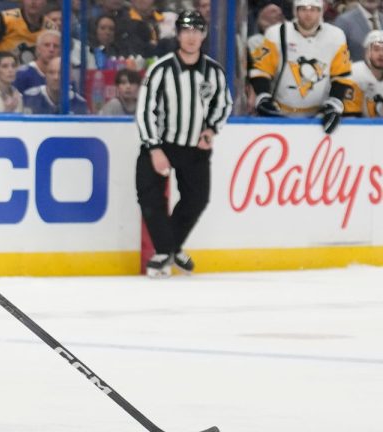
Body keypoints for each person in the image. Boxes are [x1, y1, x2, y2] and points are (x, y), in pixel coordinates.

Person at [135, 10, 232, 278]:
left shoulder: (213, 71)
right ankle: (170, 249)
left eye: (196, 31)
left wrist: (211, 129)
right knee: (149, 197)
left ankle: (168, 249)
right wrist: (154, 148)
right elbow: (145, 110)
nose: (191, 36)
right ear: (177, 35)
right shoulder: (161, 69)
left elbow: (223, 104)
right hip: (161, 143)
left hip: (195, 147)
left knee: (197, 199)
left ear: (203, 35)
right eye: (186, 31)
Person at [249, 0, 353, 134]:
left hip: (318, 118)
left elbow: (342, 75)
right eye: (303, 9)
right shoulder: (276, 33)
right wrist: (263, 96)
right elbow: (261, 70)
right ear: (295, 10)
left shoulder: (336, 36)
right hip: (278, 115)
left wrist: (334, 104)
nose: (308, 14)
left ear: (321, 11)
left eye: (313, 9)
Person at [23, 55, 88, 114]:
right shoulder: (29, 98)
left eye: (61, 73)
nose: (56, 77)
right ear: (45, 75)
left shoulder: (80, 104)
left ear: (71, 77)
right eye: (51, 72)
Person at [345, 30, 383, 116]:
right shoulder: (354, 73)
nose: (381, 54)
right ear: (367, 52)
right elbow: (349, 116)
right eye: (376, 49)